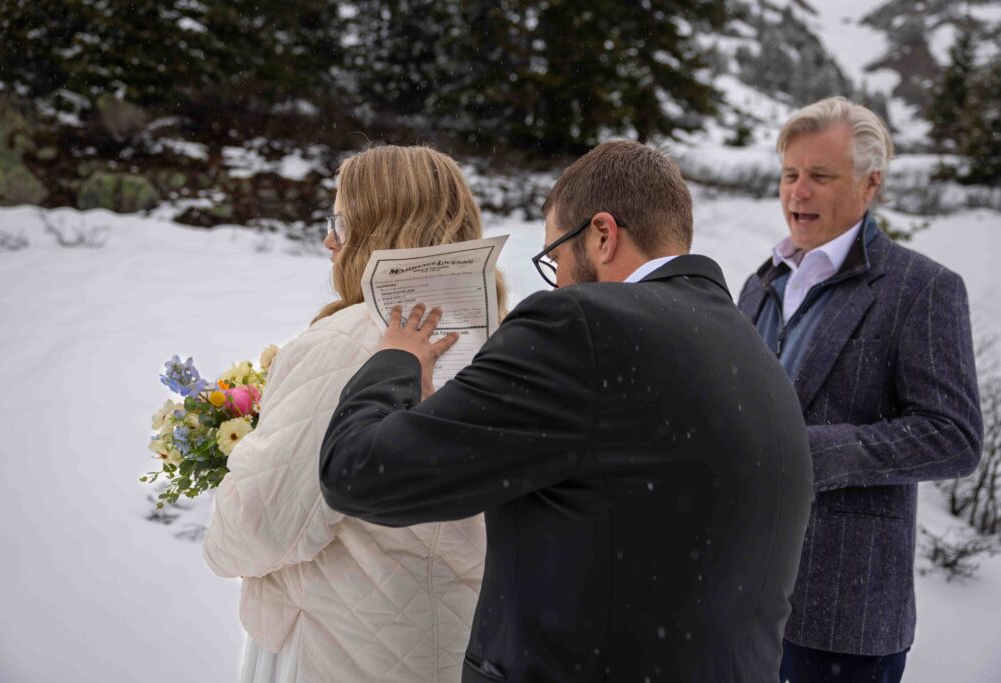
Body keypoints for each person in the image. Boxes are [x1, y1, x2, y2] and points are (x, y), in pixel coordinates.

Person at [319, 140, 814, 682]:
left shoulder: (581, 325)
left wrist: (395, 361)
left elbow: (358, 472)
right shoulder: (754, 353)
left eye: (554, 257)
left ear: (602, 235)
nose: (555, 280)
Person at [203, 145, 508, 683]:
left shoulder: (354, 342)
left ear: (378, 228)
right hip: (451, 639)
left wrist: (239, 470)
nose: (328, 239)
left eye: (341, 222)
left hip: (338, 646)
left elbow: (258, 525)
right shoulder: (502, 335)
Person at [738, 96, 983, 683]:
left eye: (820, 176)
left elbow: (954, 437)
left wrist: (811, 452)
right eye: (790, 174)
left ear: (869, 184)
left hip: (844, 615)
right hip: (743, 600)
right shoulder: (758, 282)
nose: (798, 192)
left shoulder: (922, 288)